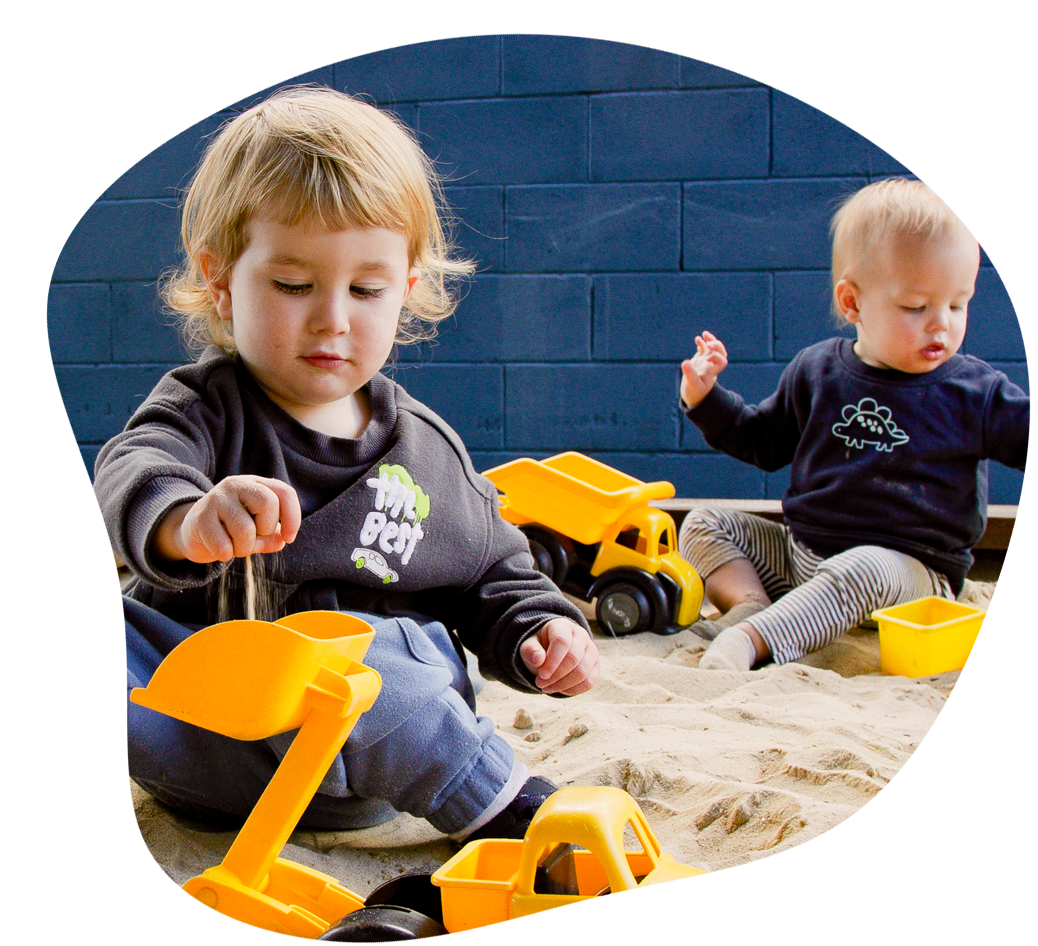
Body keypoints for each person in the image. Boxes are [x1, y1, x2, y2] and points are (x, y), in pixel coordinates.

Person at [100, 86, 599, 839]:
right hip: (211, 748)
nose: (332, 317)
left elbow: (495, 572)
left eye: (366, 289)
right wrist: (185, 521)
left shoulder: (424, 453)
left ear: (405, 289)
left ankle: (501, 805)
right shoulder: (202, 407)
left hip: (361, 747)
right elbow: (133, 467)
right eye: (294, 285)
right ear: (219, 279)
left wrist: (538, 631)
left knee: (383, 657)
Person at [676, 177, 1038, 672]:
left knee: (864, 564)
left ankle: (755, 640)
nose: (942, 324)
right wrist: (705, 398)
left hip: (909, 575)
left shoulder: (975, 392)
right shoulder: (816, 370)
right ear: (852, 303)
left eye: (958, 304)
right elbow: (763, 441)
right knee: (701, 523)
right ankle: (754, 608)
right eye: (916, 306)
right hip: (802, 559)